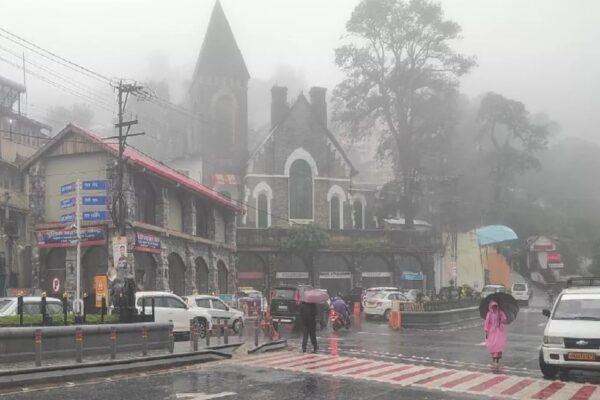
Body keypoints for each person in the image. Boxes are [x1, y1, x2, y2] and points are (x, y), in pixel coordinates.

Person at [484, 300, 508, 366]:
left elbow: (504, 319)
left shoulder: (500, 312)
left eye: (495, 306)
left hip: (499, 330)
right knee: (492, 344)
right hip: (492, 331)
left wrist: (501, 319)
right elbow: (487, 322)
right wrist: (486, 330)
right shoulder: (489, 313)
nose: (494, 307)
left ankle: (497, 359)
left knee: (498, 344)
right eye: (493, 306)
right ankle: (493, 358)